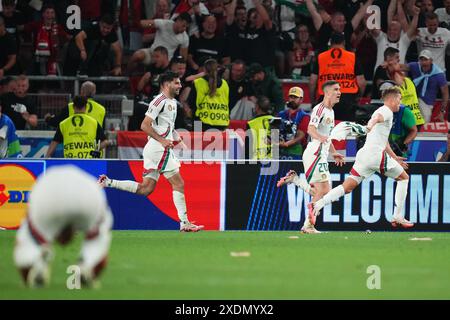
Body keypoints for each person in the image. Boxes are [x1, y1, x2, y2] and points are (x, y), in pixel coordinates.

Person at [98, 72, 203, 232]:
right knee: (179, 183)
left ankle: (108, 182)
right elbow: (144, 125)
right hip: (158, 148)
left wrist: (178, 139)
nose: (180, 86)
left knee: (145, 189)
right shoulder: (159, 101)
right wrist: (163, 141)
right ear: (167, 84)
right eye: (177, 83)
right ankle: (184, 222)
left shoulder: (173, 102)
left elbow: (167, 126)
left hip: (156, 149)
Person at [309, 86, 414, 229]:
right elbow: (376, 120)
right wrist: (369, 126)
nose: (400, 103)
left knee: (347, 187)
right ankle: (398, 216)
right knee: (404, 178)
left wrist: (394, 157)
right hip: (375, 155)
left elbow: (384, 141)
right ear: (392, 99)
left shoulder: (382, 111)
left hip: (365, 155)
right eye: (399, 99)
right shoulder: (386, 111)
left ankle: (317, 205)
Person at [14, 165, 113, 288]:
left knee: (28, 243)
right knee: (98, 241)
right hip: (86, 194)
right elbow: (101, 251)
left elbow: (22, 246)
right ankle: (87, 267)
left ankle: (37, 265)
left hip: (48, 194)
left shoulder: (43, 209)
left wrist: (27, 275)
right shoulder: (89, 196)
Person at [277, 81, 345, 234]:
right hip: (315, 152)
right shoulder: (319, 109)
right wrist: (321, 139)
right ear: (327, 93)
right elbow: (310, 129)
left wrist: (333, 152)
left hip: (321, 153)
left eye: (339, 89)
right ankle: (308, 225)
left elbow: (326, 136)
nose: (339, 92)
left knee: (323, 193)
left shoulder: (331, 112)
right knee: (325, 190)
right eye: (336, 89)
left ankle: (295, 180)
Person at [309, 32, 366, 121]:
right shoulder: (352, 57)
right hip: (347, 99)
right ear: (344, 42)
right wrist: (358, 97)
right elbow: (361, 82)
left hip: (326, 98)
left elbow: (312, 81)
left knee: (325, 132)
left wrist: (313, 101)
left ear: (330, 43)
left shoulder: (321, 57)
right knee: (346, 131)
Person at [186, 58, 230, 130]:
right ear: (217, 69)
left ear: (204, 69)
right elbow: (228, 104)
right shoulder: (225, 84)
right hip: (222, 123)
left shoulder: (198, 82)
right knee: (220, 141)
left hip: (199, 123)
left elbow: (191, 103)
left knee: (197, 141)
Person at [406, 49, 449, 123]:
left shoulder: (439, 74)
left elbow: (445, 93)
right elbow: (400, 67)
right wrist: (388, 63)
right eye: (421, 59)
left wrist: (442, 111)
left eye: (426, 60)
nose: (423, 62)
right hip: (412, 99)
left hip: (427, 103)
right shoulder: (415, 66)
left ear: (431, 61)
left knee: (425, 121)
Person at [277, 87, 310, 160]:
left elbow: (300, 135)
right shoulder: (280, 114)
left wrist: (287, 144)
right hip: (280, 151)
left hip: (296, 152)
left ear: (301, 100)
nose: (292, 99)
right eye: (291, 97)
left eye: (295, 97)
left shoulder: (305, 116)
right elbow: (274, 130)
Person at [246, 95, 275, 160]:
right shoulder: (276, 121)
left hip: (257, 160)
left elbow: (248, 146)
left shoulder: (251, 123)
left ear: (257, 107)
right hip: (273, 161)